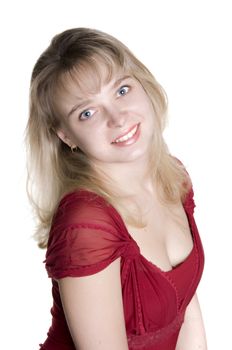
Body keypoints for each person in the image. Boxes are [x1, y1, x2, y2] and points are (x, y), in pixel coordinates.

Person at [26, 27, 207, 350]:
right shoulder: (86, 224)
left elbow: (187, 311)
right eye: (87, 113)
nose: (118, 118)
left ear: (142, 84)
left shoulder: (172, 177)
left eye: (122, 90)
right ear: (66, 136)